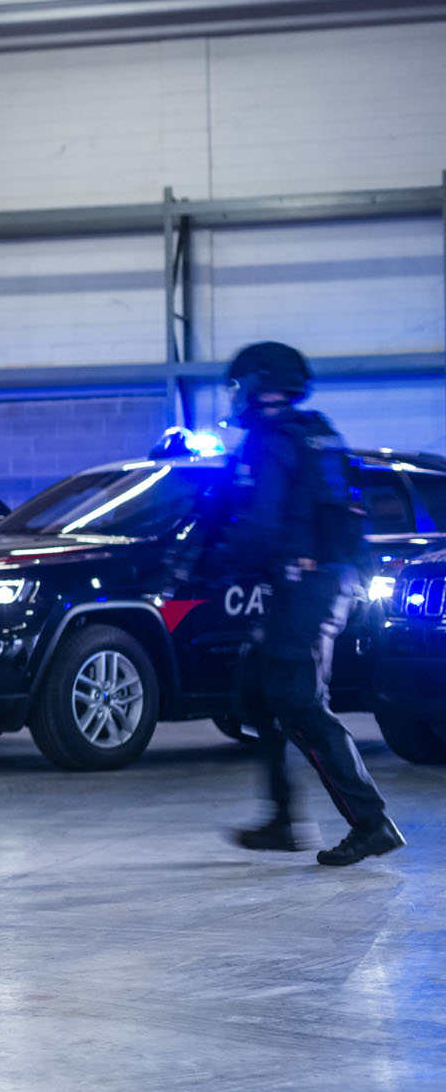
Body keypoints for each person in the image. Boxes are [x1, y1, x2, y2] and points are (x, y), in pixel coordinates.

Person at [199, 341, 401, 866]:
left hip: (306, 588)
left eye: (241, 385)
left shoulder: (273, 441)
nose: (236, 397)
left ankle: (372, 823)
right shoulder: (317, 433)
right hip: (324, 584)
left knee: (300, 704)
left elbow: (263, 526)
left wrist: (213, 568)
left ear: (262, 387)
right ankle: (283, 821)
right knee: (263, 694)